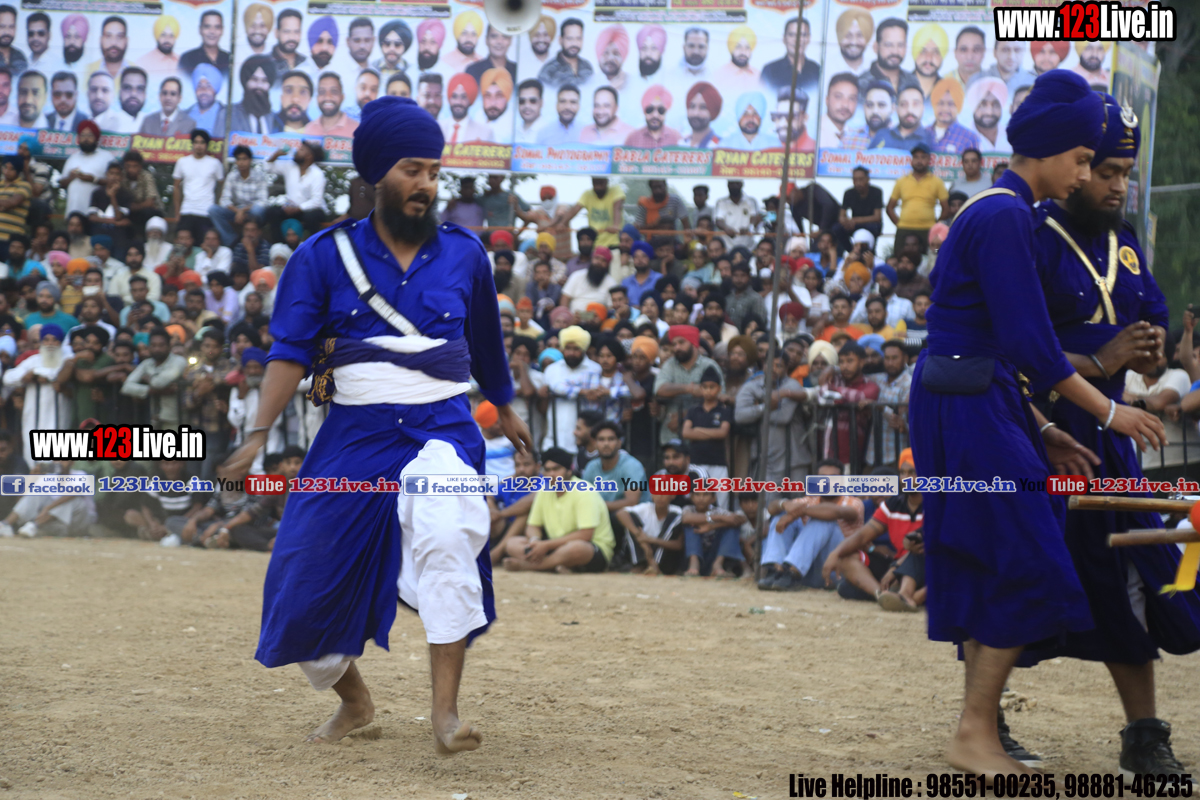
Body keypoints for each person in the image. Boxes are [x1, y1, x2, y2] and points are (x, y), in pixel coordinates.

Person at [220, 96, 531, 751]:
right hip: (353, 433)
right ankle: (356, 703)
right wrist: (257, 433)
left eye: (433, 172)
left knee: (449, 537)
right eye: (412, 170)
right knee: (300, 578)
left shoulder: (465, 254)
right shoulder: (321, 256)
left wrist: (505, 405)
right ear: (374, 175)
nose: (426, 184)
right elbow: (289, 352)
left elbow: (486, 344)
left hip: (442, 427)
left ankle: (445, 716)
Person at [907, 71, 1166, 779]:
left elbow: (993, 342)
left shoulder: (1002, 212)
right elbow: (1028, 343)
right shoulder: (1004, 216)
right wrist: (1109, 409)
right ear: (1049, 150)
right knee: (1025, 554)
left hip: (980, 395)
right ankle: (974, 733)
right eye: (1082, 160)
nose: (1085, 175)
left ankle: (979, 732)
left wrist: (1041, 427)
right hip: (969, 399)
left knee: (995, 553)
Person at [1028, 96, 1198, 775]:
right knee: (1020, 568)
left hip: (1112, 442)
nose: (1117, 185)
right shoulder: (1032, 234)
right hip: (1038, 434)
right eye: (1104, 171)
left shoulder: (1123, 241)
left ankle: (1143, 734)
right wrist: (1102, 359)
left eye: (1125, 173)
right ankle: (984, 721)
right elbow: (1016, 346)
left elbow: (1151, 322)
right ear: (1074, 167)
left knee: (1134, 572)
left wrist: (1152, 348)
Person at [502, 447, 614, 573]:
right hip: (555, 547)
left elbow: (585, 535)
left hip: (591, 549)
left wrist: (546, 545)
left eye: (556, 469)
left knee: (576, 548)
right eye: (547, 470)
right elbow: (532, 526)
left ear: (569, 470)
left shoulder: (584, 491)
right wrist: (535, 541)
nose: (551, 474)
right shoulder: (544, 491)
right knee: (512, 544)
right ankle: (557, 565)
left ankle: (530, 566)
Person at [2, 325, 72, 468]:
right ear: (41, 342)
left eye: (55, 340)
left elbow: (55, 375)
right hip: (33, 418)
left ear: (60, 343)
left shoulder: (66, 359)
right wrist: (26, 376)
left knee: (56, 459)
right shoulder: (33, 360)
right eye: (46, 340)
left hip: (59, 417)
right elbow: (8, 377)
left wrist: (37, 373)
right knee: (32, 457)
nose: (50, 344)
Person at [886, 144, 949, 248]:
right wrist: (900, 224)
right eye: (916, 157)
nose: (919, 161)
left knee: (930, 257)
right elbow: (889, 207)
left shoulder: (937, 182)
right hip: (904, 228)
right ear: (911, 160)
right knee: (900, 257)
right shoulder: (902, 181)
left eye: (923, 157)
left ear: (929, 160)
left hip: (928, 229)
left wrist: (935, 225)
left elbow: (946, 208)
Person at [264, 142, 327, 239]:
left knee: (311, 217)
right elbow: (267, 167)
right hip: (291, 209)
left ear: (309, 156)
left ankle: (312, 244)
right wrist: (276, 155)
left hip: (310, 210)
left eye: (301, 150)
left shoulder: (317, 174)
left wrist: (299, 208)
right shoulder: (289, 166)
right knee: (272, 212)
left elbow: (316, 201)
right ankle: (279, 245)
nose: (297, 151)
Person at [172, 130, 224, 241]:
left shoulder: (215, 163)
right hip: (186, 211)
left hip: (206, 212)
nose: (199, 146)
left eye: (202, 142)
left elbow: (222, 186)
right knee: (182, 245)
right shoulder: (182, 162)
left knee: (203, 245)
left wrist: (217, 206)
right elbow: (176, 187)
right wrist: (177, 213)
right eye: (196, 142)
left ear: (207, 145)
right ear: (192, 144)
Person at [555, 178, 625, 250]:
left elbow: (618, 208)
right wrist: (562, 223)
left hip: (613, 243)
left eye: (600, 182)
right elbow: (575, 209)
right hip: (594, 244)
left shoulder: (616, 190)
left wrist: (616, 225)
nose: (598, 186)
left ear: (606, 181)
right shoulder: (587, 194)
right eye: (595, 183)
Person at [59, 121, 110, 217]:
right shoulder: (73, 158)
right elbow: (61, 184)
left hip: (96, 213)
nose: (86, 139)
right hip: (73, 211)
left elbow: (114, 182)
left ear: (96, 138)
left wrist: (94, 179)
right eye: (82, 135)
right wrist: (71, 177)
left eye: (90, 135)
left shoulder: (107, 157)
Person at [760, 17, 819, 98]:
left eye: (803, 35)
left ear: (809, 38)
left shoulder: (817, 70)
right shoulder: (770, 71)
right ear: (784, 38)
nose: (797, 40)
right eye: (792, 35)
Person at [537, 18, 592, 89]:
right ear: (560, 40)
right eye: (569, 38)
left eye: (578, 38)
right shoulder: (549, 71)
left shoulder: (587, 66)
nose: (574, 43)